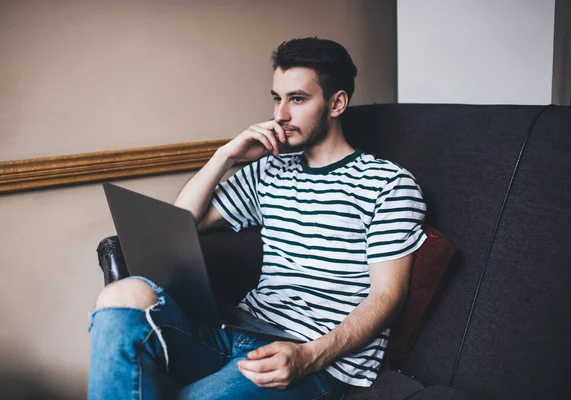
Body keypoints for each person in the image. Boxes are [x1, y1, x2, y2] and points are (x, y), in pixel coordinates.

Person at [87, 37, 427, 400]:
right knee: (122, 293)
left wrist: (309, 357)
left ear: (337, 103)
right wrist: (225, 155)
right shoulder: (270, 170)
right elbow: (183, 223)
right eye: (276, 98)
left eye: (297, 99)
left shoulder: (388, 183)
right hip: (239, 330)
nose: (280, 114)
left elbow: (387, 297)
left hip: (311, 357)